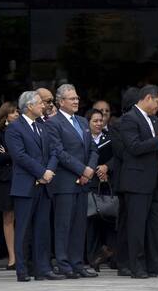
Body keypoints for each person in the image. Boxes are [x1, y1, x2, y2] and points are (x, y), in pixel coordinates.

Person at [119, 84, 158, 279]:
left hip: (154, 182)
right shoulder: (129, 118)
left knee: (154, 226)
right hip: (136, 182)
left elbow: (157, 149)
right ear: (147, 98)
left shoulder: (153, 120)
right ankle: (136, 266)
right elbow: (134, 147)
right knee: (136, 226)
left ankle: (156, 264)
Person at [5, 91, 64, 282]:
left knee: (42, 229)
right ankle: (22, 270)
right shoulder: (14, 128)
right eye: (40, 103)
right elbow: (20, 156)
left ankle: (42, 269)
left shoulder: (43, 126)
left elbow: (55, 151)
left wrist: (49, 172)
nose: (43, 106)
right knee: (23, 230)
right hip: (25, 186)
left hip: (45, 185)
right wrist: (41, 173)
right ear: (29, 106)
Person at [46, 84, 99, 279]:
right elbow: (59, 152)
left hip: (84, 182)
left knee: (79, 226)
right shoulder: (53, 123)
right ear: (61, 102)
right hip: (65, 182)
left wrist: (90, 170)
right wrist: (81, 169)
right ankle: (63, 263)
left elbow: (94, 148)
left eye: (77, 98)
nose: (76, 101)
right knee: (63, 225)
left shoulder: (83, 121)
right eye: (72, 98)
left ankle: (77, 264)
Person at [110, 87, 140, 276]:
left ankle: (135, 260)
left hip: (141, 179)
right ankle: (122, 261)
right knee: (125, 223)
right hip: (125, 179)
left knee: (136, 223)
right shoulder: (118, 124)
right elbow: (121, 152)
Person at [85, 109, 116, 271]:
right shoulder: (83, 137)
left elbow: (117, 157)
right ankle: (92, 258)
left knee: (108, 220)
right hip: (88, 183)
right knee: (91, 223)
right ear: (87, 122)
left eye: (100, 120)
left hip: (105, 185)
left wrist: (107, 168)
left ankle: (111, 255)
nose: (98, 124)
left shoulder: (109, 138)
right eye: (94, 121)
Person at [0, 102, 19, 270]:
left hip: (20, 178)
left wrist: (9, 153)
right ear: (5, 116)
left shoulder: (21, 131)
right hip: (5, 180)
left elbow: (21, 154)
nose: (16, 114)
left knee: (22, 217)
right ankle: (12, 258)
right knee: (8, 217)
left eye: (17, 111)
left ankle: (21, 254)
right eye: (13, 112)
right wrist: (13, 155)